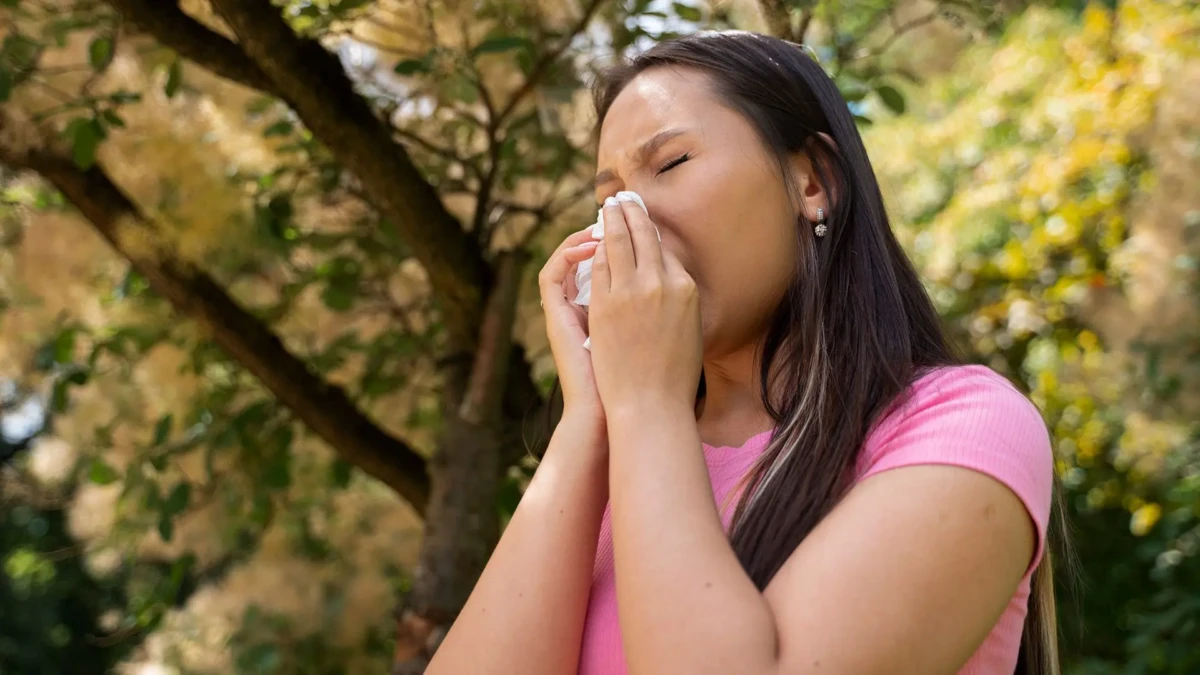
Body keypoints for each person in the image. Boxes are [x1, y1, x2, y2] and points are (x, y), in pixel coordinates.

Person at [427, 30, 1059, 675]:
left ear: (814, 180)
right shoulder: (619, 465)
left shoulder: (961, 426)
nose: (626, 221)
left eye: (671, 164)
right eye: (606, 199)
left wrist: (646, 403)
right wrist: (588, 417)